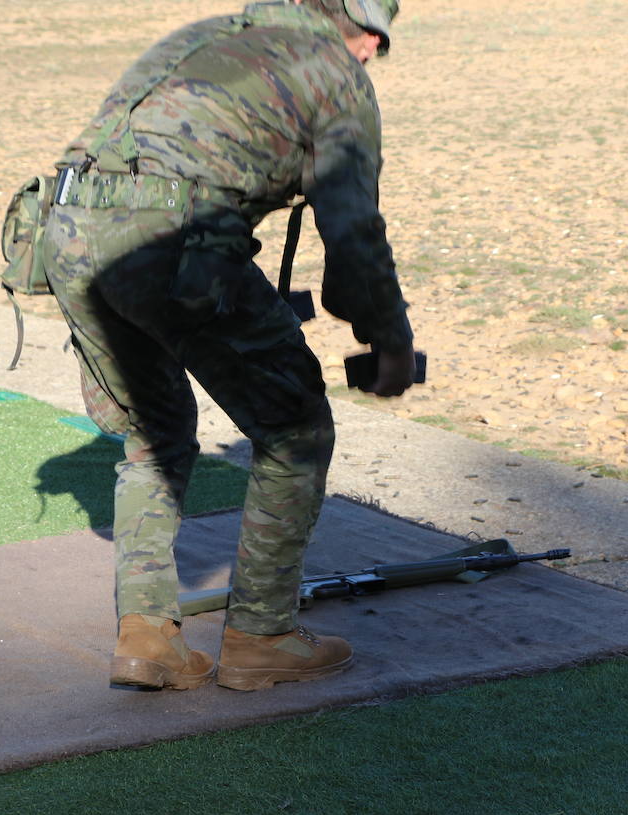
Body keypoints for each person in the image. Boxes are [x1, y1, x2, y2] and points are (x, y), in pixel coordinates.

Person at [39, 0, 415, 691]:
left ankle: (147, 639)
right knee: (295, 428)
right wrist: (389, 337)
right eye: (373, 39)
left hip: (64, 232)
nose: (371, 56)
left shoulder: (207, 36)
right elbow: (352, 227)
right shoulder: (334, 73)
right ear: (351, 22)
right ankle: (262, 638)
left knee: (156, 432)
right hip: (169, 239)